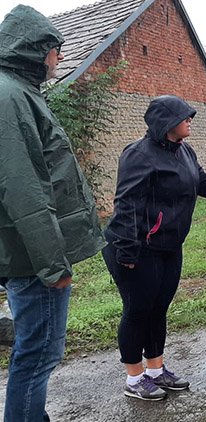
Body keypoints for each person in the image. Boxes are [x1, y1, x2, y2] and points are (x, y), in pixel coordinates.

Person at [0, 5, 107, 420]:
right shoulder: (10, 97)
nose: (60, 58)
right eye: (55, 50)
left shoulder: (19, 92)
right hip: (33, 262)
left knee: (36, 350)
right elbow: (24, 189)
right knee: (39, 353)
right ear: (34, 49)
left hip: (29, 258)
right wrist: (52, 264)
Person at [102, 95, 206, 401]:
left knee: (159, 308)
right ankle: (134, 379)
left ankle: (155, 370)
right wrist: (126, 252)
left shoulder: (184, 151)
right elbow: (126, 204)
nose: (190, 119)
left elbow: (202, 183)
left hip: (168, 246)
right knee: (137, 310)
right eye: (185, 115)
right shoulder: (138, 154)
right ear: (166, 122)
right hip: (136, 246)